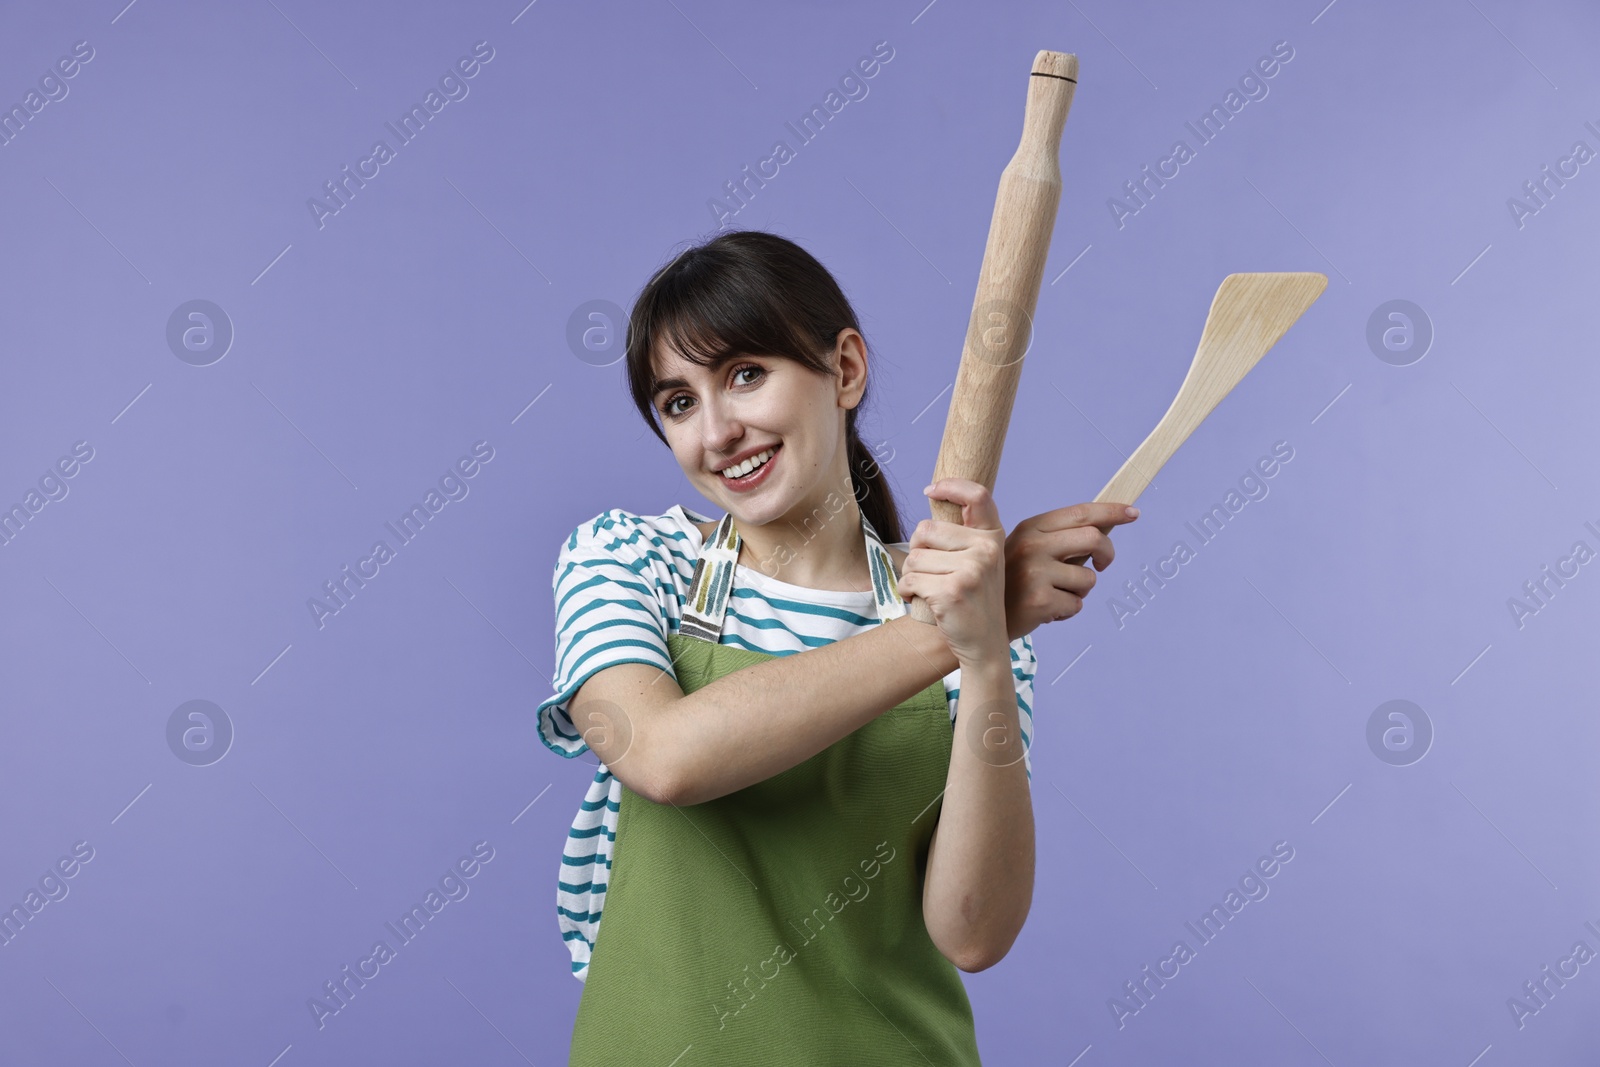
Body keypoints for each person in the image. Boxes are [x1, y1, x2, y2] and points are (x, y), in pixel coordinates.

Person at [535, 229, 1138, 1063]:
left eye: (746, 374)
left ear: (845, 369)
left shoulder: (972, 616)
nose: (717, 432)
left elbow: (972, 930)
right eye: (678, 403)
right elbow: (666, 755)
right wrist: (958, 630)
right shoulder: (630, 559)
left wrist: (990, 656)